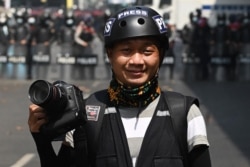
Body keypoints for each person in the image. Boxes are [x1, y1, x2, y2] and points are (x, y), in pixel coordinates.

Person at [28, 6, 211, 167]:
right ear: (110, 54)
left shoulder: (185, 114)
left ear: (160, 55)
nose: (137, 61)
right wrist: (41, 140)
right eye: (126, 50)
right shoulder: (87, 114)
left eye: (147, 51)